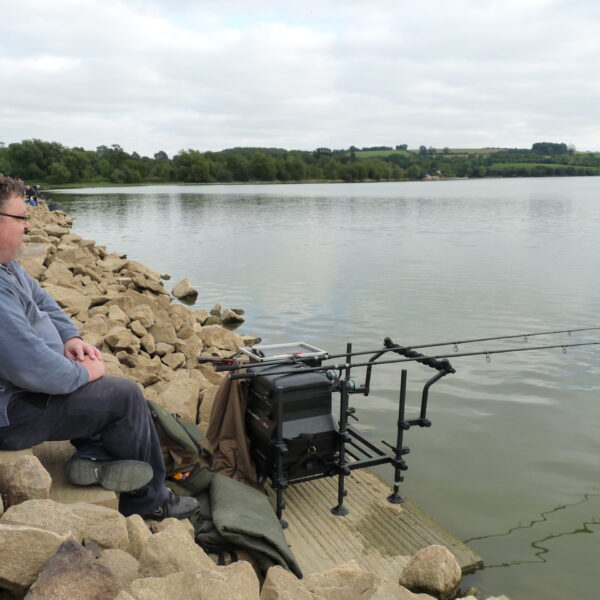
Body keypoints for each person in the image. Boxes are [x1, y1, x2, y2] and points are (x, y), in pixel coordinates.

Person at [0, 176, 198, 519]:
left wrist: (71, 339)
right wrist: (85, 371)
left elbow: (45, 304)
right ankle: (148, 501)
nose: (30, 224)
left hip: (22, 393)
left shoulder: (9, 268)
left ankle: (95, 455)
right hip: (13, 412)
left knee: (104, 389)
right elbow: (34, 368)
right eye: (21, 218)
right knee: (125, 396)